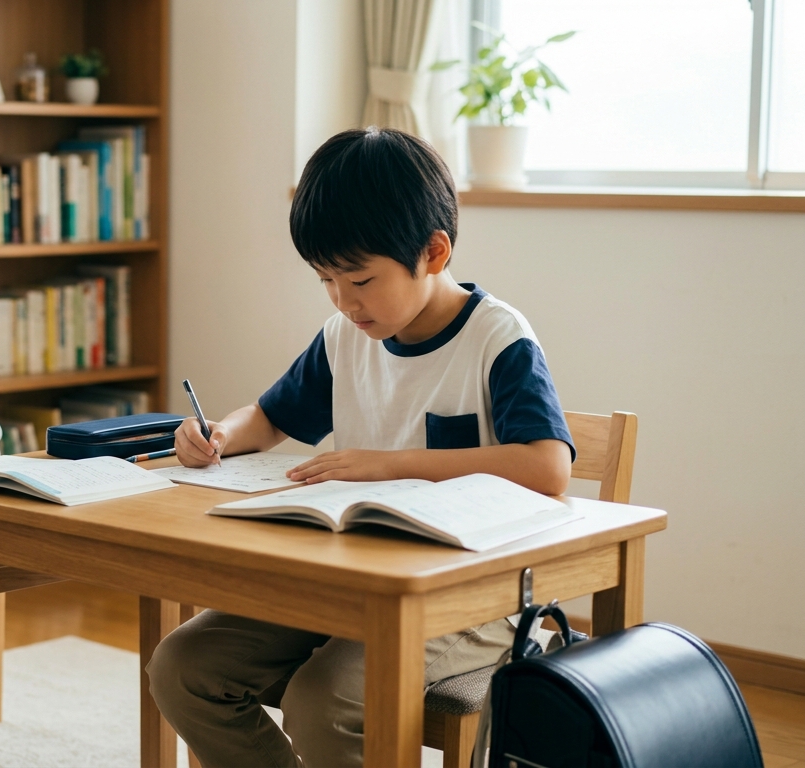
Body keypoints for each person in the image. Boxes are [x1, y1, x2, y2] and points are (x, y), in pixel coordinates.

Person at [145, 127, 575, 767]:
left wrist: (391, 464)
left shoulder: (496, 338)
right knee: (184, 666)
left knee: (324, 700)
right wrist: (222, 435)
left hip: (468, 601)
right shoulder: (344, 337)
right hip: (348, 580)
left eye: (361, 279)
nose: (345, 302)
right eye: (325, 281)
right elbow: (269, 416)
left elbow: (547, 468)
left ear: (433, 252)